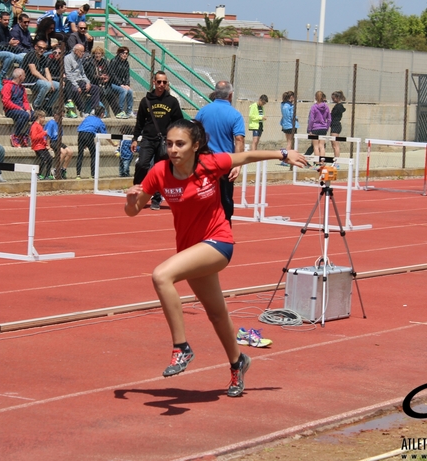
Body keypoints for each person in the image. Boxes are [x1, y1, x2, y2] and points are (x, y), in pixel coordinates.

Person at [123, 119, 307, 396]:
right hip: (190, 250)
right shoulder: (160, 172)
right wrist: (130, 199)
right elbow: (133, 211)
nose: (173, 149)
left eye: (180, 144)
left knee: (161, 275)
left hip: (218, 242)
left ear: (195, 146)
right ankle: (238, 362)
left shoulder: (209, 164)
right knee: (217, 314)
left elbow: (245, 156)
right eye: (169, 144)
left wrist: (283, 153)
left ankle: (181, 347)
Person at [194, 81, 246, 225]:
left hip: (205, 161)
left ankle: (203, 227)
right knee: (225, 198)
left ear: (215, 93)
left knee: (203, 195)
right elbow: (239, 139)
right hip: (224, 162)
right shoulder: (235, 115)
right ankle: (225, 227)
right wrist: (238, 164)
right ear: (230, 95)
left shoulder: (203, 111)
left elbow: (193, 132)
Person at [132, 71, 184, 210]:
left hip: (164, 142)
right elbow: (139, 122)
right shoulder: (146, 101)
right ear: (154, 82)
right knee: (142, 164)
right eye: (159, 82)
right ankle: (137, 191)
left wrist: (176, 140)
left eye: (164, 82)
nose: (162, 85)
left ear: (167, 84)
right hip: (148, 139)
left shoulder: (172, 101)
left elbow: (179, 122)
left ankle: (156, 198)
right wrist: (135, 139)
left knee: (159, 171)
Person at [75, 105, 115, 180]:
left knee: (80, 155)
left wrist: (83, 142)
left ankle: (78, 175)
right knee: (93, 155)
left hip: (81, 134)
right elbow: (105, 135)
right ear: (102, 114)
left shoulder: (88, 118)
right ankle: (92, 175)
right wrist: (113, 144)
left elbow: (81, 127)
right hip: (89, 135)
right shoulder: (100, 122)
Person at [0, 12, 26, 79]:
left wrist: (13, 44)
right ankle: (2, 77)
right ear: (0, 19)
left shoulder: (6, 29)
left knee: (22, 59)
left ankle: (16, 79)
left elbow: (10, 42)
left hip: (5, 51)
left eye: (8, 20)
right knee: (10, 55)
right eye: (5, 20)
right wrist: (8, 44)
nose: (7, 22)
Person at [64, 44, 100, 116]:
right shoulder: (67, 58)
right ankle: (82, 110)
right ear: (76, 51)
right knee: (75, 90)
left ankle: (94, 110)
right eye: (82, 51)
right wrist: (77, 86)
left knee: (96, 88)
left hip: (80, 81)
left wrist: (88, 82)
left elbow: (83, 74)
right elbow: (68, 74)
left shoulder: (80, 60)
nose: (83, 53)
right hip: (71, 82)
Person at [2, 68, 34, 148]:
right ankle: (15, 135)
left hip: (22, 110)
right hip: (10, 110)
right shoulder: (7, 86)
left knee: (37, 115)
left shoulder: (22, 88)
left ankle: (25, 134)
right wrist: (19, 108)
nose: (25, 77)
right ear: (20, 76)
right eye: (24, 75)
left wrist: (28, 109)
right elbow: (6, 102)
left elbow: (25, 101)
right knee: (24, 115)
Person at [23, 40, 59, 113]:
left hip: (39, 81)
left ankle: (48, 106)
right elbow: (34, 72)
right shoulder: (31, 55)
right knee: (46, 85)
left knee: (59, 86)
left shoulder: (43, 58)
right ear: (35, 47)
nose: (42, 50)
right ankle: (36, 105)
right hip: (29, 80)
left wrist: (50, 82)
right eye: (40, 47)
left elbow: (47, 71)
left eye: (44, 48)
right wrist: (47, 82)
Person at [84, 46, 116, 115]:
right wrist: (99, 77)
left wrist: (108, 78)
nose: (97, 55)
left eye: (99, 53)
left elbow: (111, 73)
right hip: (95, 83)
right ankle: (103, 112)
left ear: (102, 54)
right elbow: (90, 75)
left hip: (105, 83)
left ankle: (117, 112)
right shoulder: (90, 62)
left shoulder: (105, 62)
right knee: (101, 92)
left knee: (110, 93)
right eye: (96, 53)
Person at [45, 110, 72, 180]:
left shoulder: (59, 124)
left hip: (58, 141)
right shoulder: (51, 123)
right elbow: (48, 136)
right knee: (63, 152)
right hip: (52, 141)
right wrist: (48, 145)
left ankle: (63, 170)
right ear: (55, 115)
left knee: (70, 152)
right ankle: (56, 170)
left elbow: (60, 135)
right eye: (61, 116)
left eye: (62, 116)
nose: (62, 118)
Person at [108, 46, 134, 118]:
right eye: (123, 53)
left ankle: (129, 112)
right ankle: (120, 111)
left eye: (126, 53)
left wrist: (127, 84)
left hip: (121, 83)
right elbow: (112, 75)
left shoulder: (126, 63)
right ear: (119, 53)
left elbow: (127, 75)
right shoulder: (114, 61)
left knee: (130, 91)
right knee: (123, 91)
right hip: (112, 83)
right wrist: (121, 84)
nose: (125, 55)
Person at [30, 110, 53, 180]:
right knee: (43, 159)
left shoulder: (40, 126)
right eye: (43, 118)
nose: (44, 120)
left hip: (42, 146)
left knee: (50, 159)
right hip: (37, 147)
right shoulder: (34, 126)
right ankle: (38, 174)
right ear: (39, 117)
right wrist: (44, 133)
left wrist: (46, 144)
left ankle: (47, 175)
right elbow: (34, 137)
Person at [307, 91, 331, 158]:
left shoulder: (314, 107)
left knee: (316, 146)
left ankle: (317, 162)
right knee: (322, 146)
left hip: (315, 128)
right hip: (323, 128)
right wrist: (327, 128)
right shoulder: (326, 107)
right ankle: (322, 162)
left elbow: (311, 119)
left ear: (315, 97)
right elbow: (329, 119)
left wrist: (309, 129)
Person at [330, 90, 347, 158]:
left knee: (335, 145)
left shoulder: (339, 106)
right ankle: (336, 159)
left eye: (333, 98)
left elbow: (333, 115)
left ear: (337, 98)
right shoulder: (338, 106)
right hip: (334, 125)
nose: (333, 100)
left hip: (336, 125)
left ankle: (337, 161)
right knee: (334, 145)